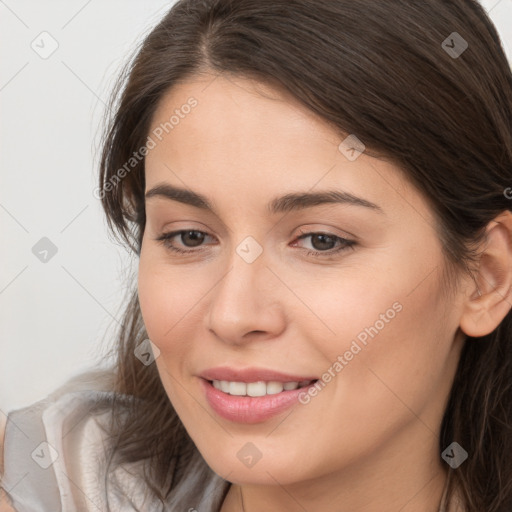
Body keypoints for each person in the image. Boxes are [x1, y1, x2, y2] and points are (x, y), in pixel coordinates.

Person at [2, 0, 512, 510]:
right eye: (189, 237)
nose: (232, 315)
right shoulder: (60, 481)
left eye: (321, 240)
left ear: (487, 278)